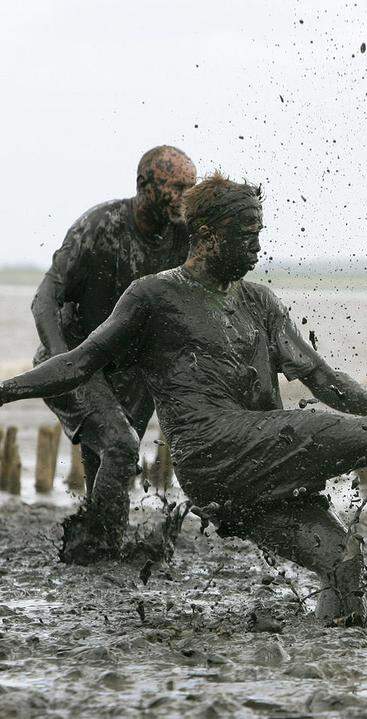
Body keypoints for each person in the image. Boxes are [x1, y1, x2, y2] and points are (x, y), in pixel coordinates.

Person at [0, 173, 367, 624]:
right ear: (206, 235)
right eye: (247, 236)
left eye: (260, 234)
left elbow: (324, 380)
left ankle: (333, 647)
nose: (257, 246)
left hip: (253, 474)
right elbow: (77, 362)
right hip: (214, 451)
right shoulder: (153, 297)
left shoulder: (258, 302)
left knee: (345, 563)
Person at [31, 145, 197, 563]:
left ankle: (94, 553)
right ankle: (100, 553)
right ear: (144, 186)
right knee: (121, 446)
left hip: (132, 367)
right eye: (177, 187)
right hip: (77, 357)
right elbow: (45, 299)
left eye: (191, 188)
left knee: (110, 457)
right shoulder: (100, 226)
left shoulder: (185, 236)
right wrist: (60, 362)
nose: (186, 197)